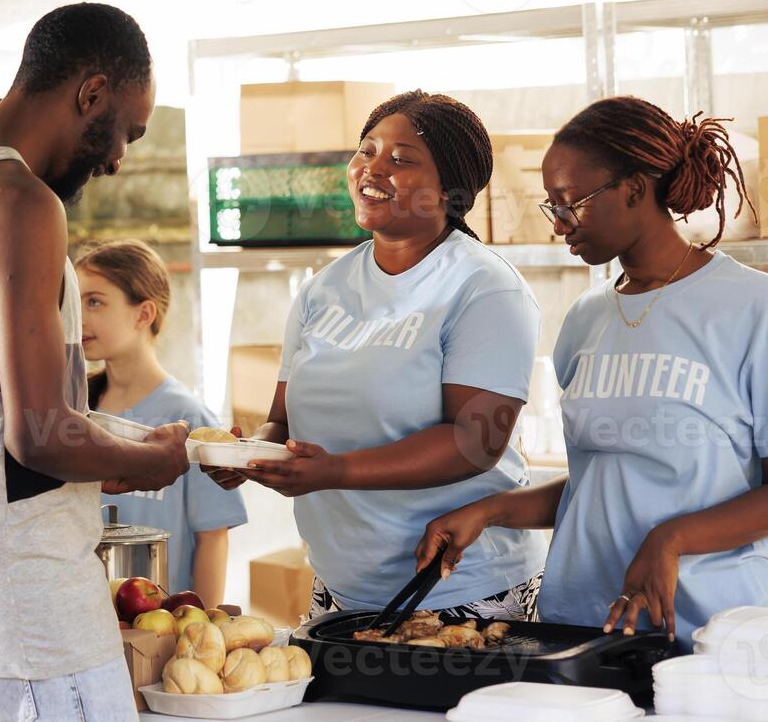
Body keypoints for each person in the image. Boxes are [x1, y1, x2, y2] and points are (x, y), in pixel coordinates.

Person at [0, 3, 191, 722]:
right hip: (33, 616)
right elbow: (39, 436)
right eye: (128, 132)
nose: (118, 161)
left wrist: (113, 446)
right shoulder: (23, 203)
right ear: (92, 93)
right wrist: (157, 459)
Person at [416, 96, 768, 646]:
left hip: (709, 635)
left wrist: (671, 539)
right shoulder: (586, 317)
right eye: (550, 206)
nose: (560, 224)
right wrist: (491, 510)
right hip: (581, 623)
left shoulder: (752, 308)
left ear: (633, 189)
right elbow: (598, 484)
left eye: (570, 203)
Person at [211, 91, 546, 621]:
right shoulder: (323, 290)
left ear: (450, 189)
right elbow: (282, 421)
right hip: (339, 586)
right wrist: (249, 456)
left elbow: (476, 442)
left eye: (401, 159)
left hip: (461, 587)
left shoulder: (484, 288)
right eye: (366, 150)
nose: (372, 168)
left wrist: (335, 471)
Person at [78, 239, 248, 604]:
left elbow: (212, 537)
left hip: (160, 626)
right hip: (87, 620)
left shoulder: (188, 419)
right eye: (72, 302)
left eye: (94, 301)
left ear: (143, 314)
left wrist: (200, 624)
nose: (78, 316)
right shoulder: (76, 411)